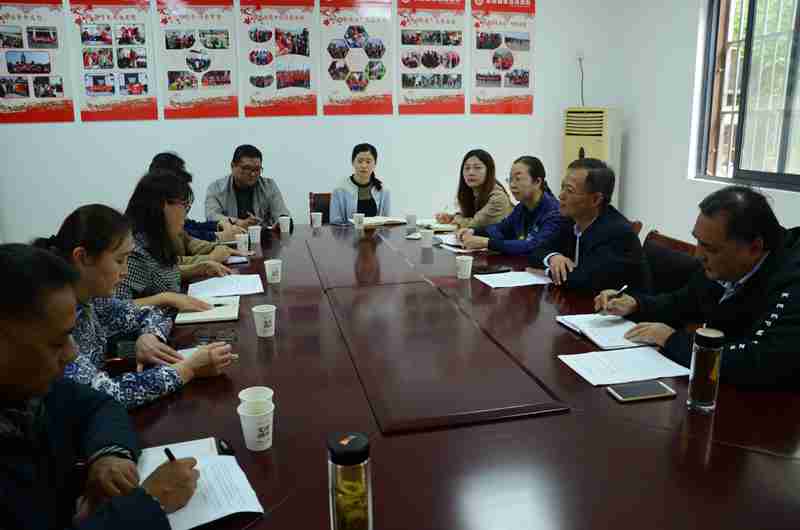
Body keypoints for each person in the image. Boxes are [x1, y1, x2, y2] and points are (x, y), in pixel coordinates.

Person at [0, 243, 200, 529]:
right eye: (57, 342)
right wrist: (149, 504)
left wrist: (109, 455)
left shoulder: (28, 390)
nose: (72, 353)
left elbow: (99, 404)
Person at [33, 204, 236, 409]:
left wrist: (149, 337)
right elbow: (103, 394)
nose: (125, 271)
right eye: (119, 260)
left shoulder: (93, 300)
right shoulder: (54, 318)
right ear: (82, 257)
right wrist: (187, 369)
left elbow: (151, 313)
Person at [595, 186, 800, 387]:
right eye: (698, 241)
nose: (698, 255)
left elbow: (760, 360)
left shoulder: (792, 280)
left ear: (754, 248)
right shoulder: (726, 263)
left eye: (710, 248)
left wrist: (671, 339)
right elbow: (684, 301)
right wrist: (636, 304)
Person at [528, 158, 650, 292]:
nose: (561, 195)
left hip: (615, 304)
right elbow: (536, 250)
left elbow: (585, 282)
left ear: (596, 199)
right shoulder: (571, 221)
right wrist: (553, 258)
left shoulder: (617, 233)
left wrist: (546, 272)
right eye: (562, 187)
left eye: (569, 190)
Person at [115, 169, 226, 312]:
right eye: (184, 206)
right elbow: (115, 308)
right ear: (162, 206)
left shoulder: (157, 240)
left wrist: (199, 268)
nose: (186, 215)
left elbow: (158, 274)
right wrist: (165, 299)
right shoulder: (134, 251)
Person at [456, 156, 565, 254]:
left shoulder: (554, 212)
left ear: (537, 182)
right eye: (510, 179)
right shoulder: (521, 208)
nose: (512, 185)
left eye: (518, 179)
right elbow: (501, 229)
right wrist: (474, 231)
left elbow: (533, 246)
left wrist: (487, 243)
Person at [149, 152, 244, 242]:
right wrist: (218, 236)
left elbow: (189, 225)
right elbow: (184, 235)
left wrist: (219, 224)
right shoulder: (153, 213)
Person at [205, 144, 292, 229]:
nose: (253, 174)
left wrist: (281, 223)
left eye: (257, 169)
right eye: (247, 168)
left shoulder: (269, 186)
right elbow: (211, 217)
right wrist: (239, 223)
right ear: (232, 166)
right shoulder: (215, 188)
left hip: (262, 237)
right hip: (229, 237)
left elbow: (283, 215)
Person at [434, 149, 513, 229]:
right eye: (467, 168)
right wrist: (450, 218)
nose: (471, 172)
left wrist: (455, 219)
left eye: (477, 168)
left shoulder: (498, 198)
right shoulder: (473, 192)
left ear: (489, 171)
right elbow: (469, 219)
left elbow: (475, 224)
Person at [330, 143, 391, 224]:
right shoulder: (340, 190)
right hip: (349, 232)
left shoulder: (383, 190)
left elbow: (386, 222)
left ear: (375, 164)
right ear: (353, 162)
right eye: (360, 161)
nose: (364, 165)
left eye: (368, 162)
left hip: (376, 232)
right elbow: (335, 223)